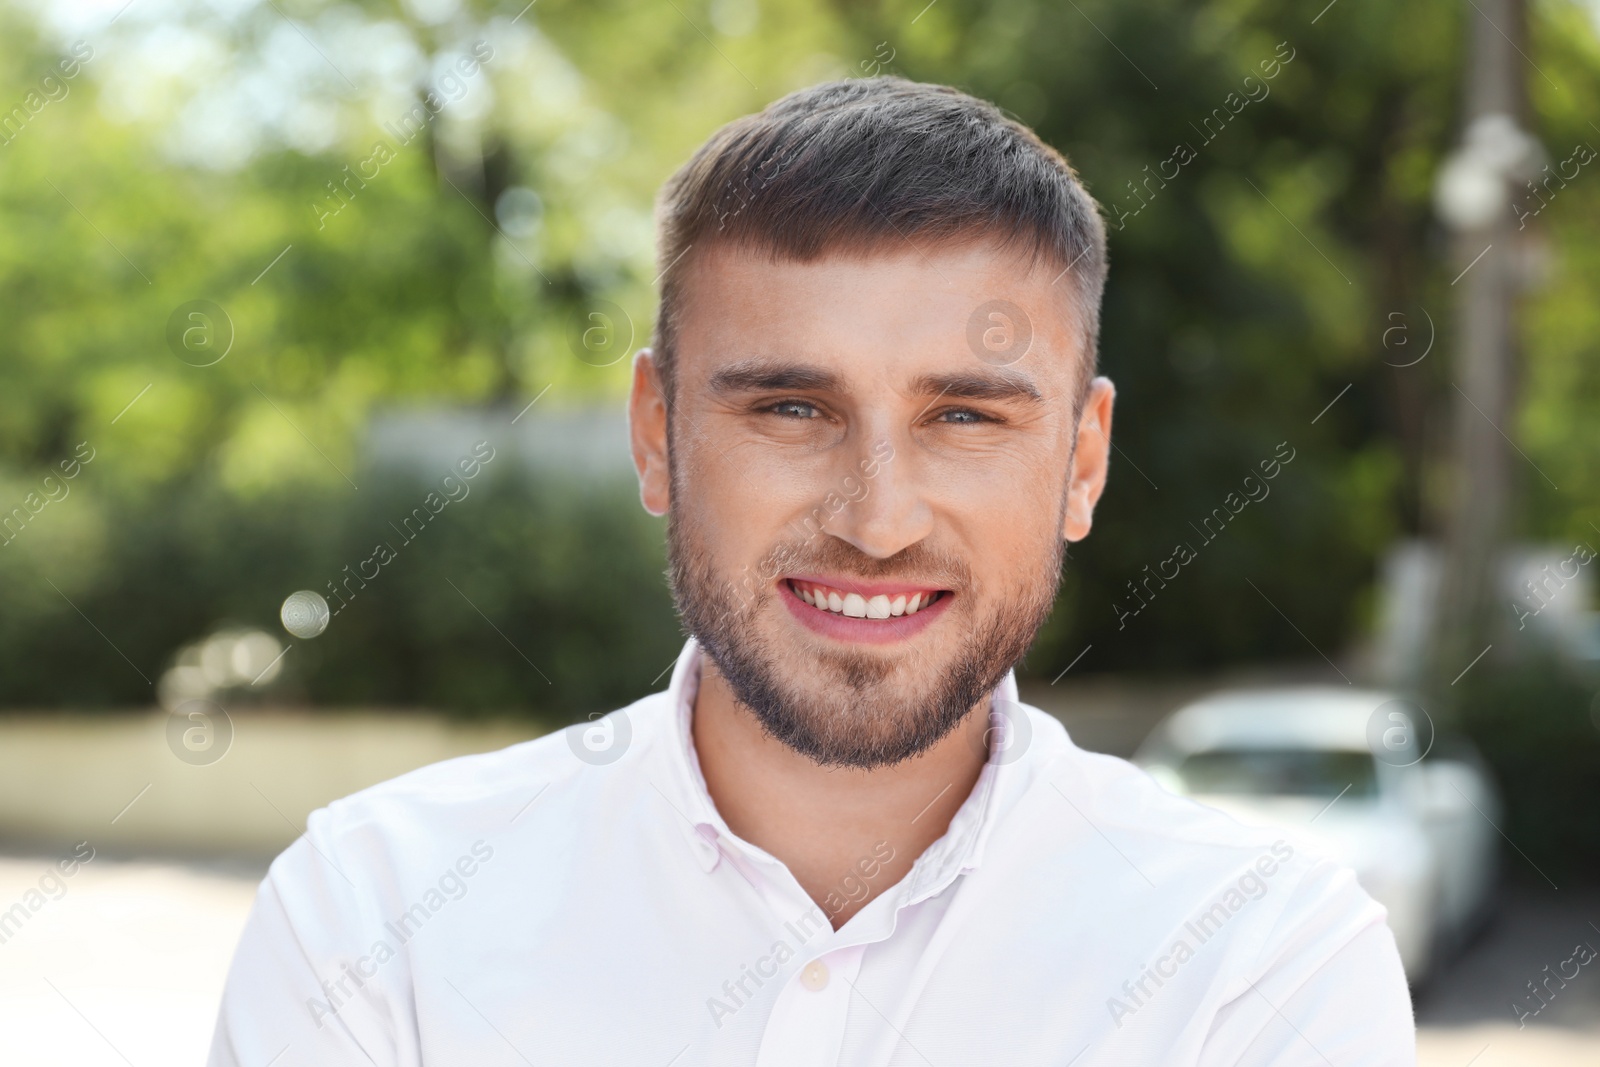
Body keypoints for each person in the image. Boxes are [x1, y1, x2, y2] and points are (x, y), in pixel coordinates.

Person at [208, 76, 1414, 1066]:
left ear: (1082, 461)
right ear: (655, 432)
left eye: (966, 418)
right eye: (791, 406)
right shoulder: (375, 916)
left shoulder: (1260, 956)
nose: (877, 519)